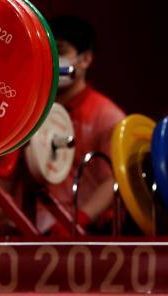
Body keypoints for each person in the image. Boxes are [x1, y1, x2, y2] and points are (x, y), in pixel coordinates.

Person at [38, 15, 125, 236]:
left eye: (61, 50)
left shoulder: (108, 116)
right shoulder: (34, 111)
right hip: (34, 231)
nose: (54, 57)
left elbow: (114, 181)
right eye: (49, 50)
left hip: (86, 234)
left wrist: (79, 219)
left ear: (85, 59)